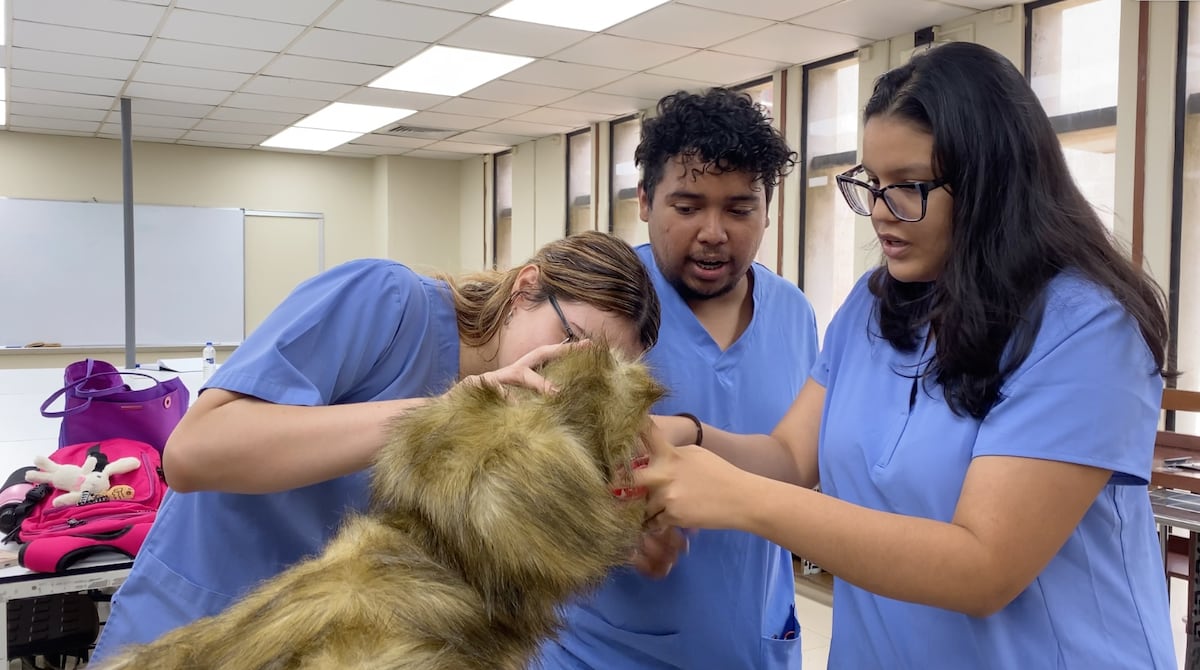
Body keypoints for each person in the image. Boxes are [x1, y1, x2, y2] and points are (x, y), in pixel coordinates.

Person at [634, 41, 1177, 668]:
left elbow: (984, 567)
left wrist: (740, 500)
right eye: (873, 183)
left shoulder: (1085, 328)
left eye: (910, 187)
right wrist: (691, 437)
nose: (882, 215)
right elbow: (789, 456)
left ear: (992, 184)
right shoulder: (874, 307)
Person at [90, 230, 662, 662]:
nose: (563, 381)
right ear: (526, 288)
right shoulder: (385, 302)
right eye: (570, 344)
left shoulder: (514, 429)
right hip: (201, 630)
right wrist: (439, 414)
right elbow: (194, 454)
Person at [537, 89, 819, 668]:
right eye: (687, 207)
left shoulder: (795, 314)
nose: (714, 232)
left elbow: (793, 465)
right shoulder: (593, 310)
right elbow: (521, 470)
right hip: (606, 648)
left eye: (740, 209)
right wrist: (609, 526)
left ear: (769, 207)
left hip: (755, 640)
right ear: (644, 200)